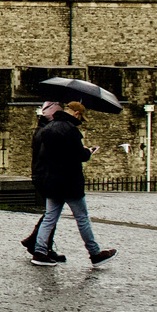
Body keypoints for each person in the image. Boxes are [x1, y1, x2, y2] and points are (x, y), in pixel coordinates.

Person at [30, 100, 116, 266]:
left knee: (49, 218)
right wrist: (88, 151)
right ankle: (94, 253)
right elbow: (79, 156)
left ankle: (40, 252)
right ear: (77, 113)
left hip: (52, 180)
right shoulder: (71, 131)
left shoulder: (47, 129)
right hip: (70, 182)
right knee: (82, 218)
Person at [21, 101, 66, 262]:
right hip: (46, 176)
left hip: (42, 175)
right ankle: (39, 244)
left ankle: (40, 243)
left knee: (51, 213)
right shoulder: (46, 132)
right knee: (51, 214)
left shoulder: (42, 130)